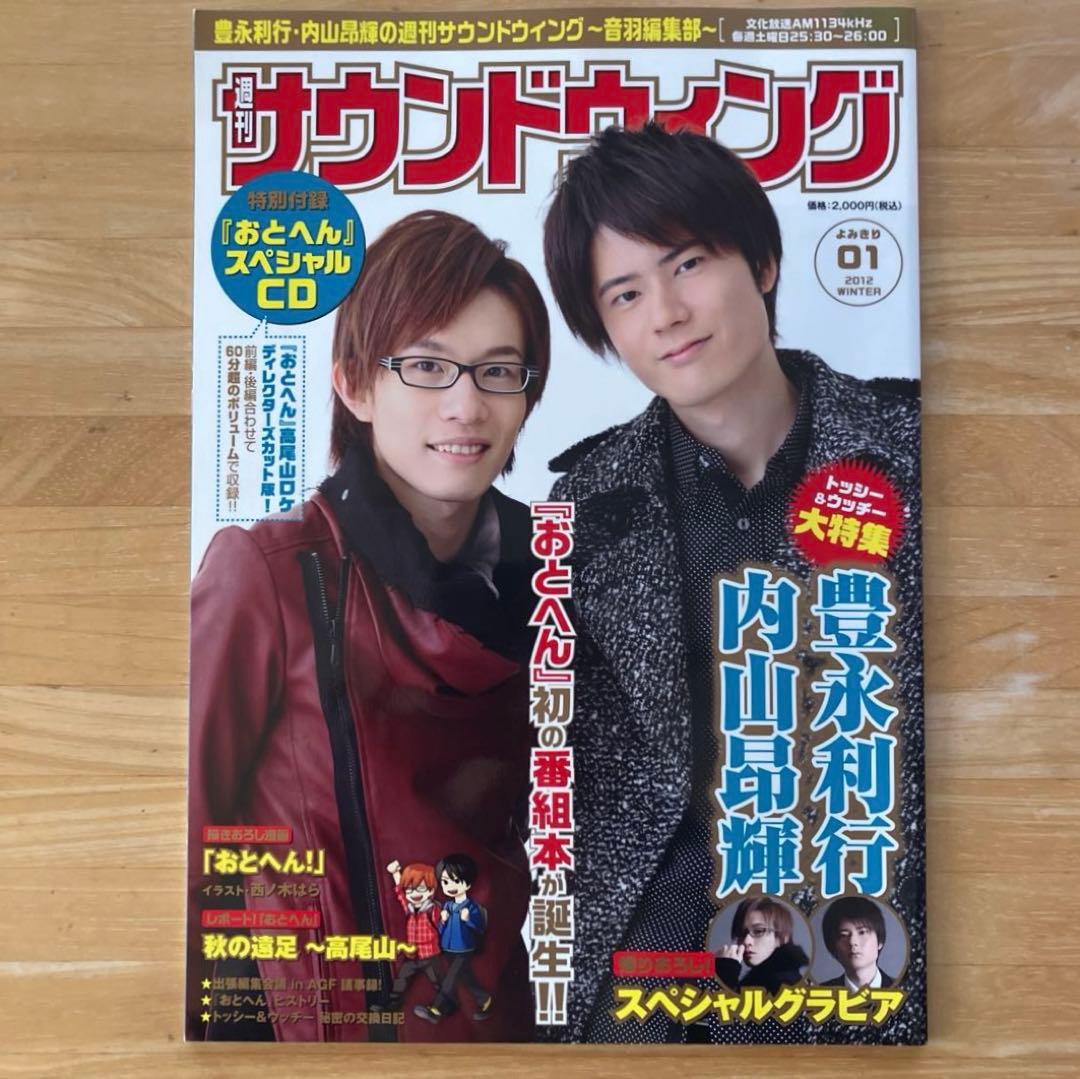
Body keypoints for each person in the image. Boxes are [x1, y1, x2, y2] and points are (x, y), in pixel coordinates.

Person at [542, 123, 923, 1042]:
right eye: (626, 293)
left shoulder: (913, 450)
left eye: (688, 263)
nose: (666, 313)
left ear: (762, 262)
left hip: (856, 944)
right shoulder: (584, 506)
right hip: (649, 970)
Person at [187, 210, 550, 1043]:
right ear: (355, 384)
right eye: (426, 366)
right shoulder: (269, 574)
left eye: (499, 371)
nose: (466, 404)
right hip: (332, 1044)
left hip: (504, 1035)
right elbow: (191, 860)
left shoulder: (556, 578)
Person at [414, 853, 493, 1024]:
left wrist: (468, 919)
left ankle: (436, 1009)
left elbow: (479, 928)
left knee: (451, 978)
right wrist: (442, 921)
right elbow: (442, 930)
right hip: (448, 948)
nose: (450, 886)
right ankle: (484, 999)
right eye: (445, 882)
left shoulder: (471, 907)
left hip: (464, 949)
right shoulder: (447, 906)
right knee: (466, 977)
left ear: (468, 884)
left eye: (455, 881)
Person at [714, 898, 808, 994]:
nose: (746, 941)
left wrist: (726, 975)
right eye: (741, 933)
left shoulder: (784, 983)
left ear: (782, 938)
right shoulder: (762, 980)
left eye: (758, 931)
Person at [386, 860, 443, 1005]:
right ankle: (392, 1003)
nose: (414, 894)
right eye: (410, 890)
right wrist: (395, 873)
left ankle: (447, 1003)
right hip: (412, 954)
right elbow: (400, 892)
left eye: (421, 889)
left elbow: (444, 923)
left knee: (439, 981)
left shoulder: (433, 910)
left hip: (430, 954)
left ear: (431, 891)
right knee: (401, 979)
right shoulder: (410, 909)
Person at [819, 896, 896, 990]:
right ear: (834, 946)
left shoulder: (902, 990)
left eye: (862, 932)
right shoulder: (819, 992)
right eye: (844, 935)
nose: (853, 942)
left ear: (879, 942)